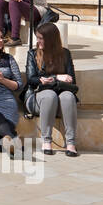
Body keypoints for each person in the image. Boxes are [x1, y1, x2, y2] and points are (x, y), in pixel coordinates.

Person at [25, 22, 78, 156]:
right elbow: (31, 79)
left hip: (61, 100)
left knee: (68, 96)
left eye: (41, 38)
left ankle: (71, 143)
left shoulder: (65, 54)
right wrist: (57, 77)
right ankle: (46, 140)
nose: (38, 41)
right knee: (49, 95)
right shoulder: (32, 54)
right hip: (38, 98)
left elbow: (72, 81)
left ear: (51, 38)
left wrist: (52, 80)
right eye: (37, 38)